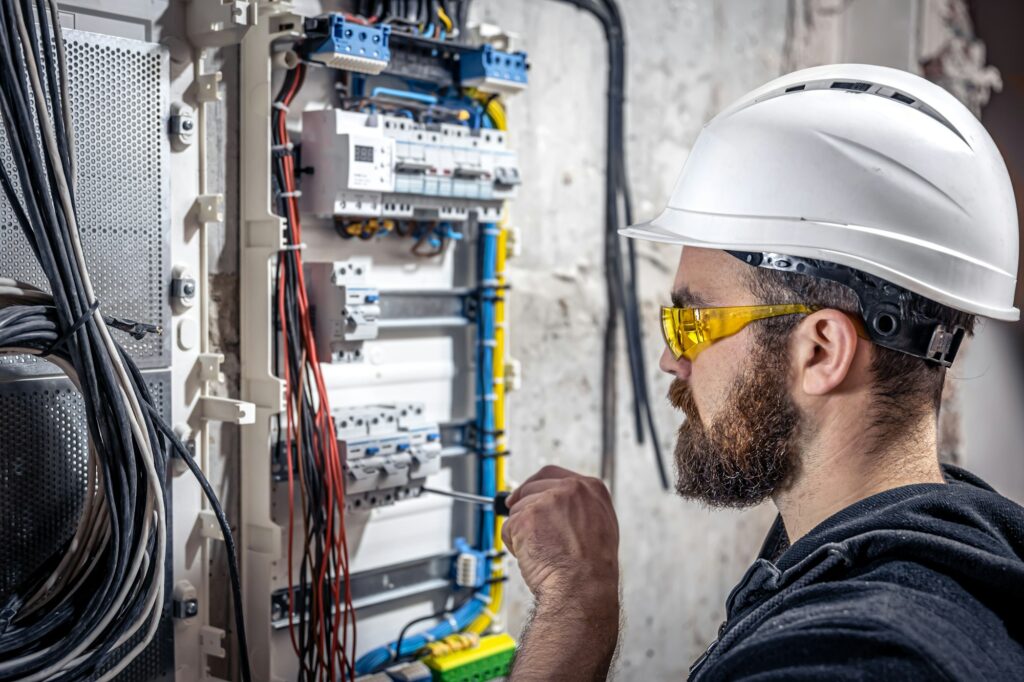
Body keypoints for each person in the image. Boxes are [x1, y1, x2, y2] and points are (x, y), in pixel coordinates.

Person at [501, 64, 1024, 680]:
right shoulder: (957, 550)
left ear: (821, 351)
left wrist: (573, 613)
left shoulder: (848, 663)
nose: (673, 358)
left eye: (693, 323)